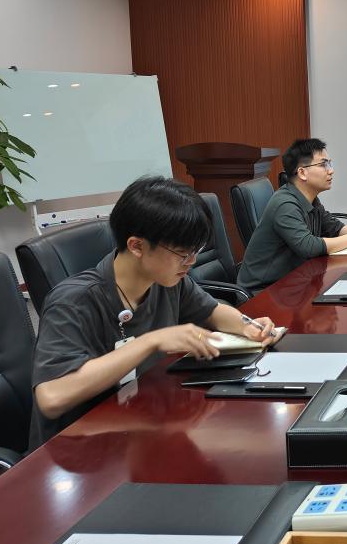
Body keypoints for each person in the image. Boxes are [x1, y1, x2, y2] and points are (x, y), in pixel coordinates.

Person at [30, 177, 278, 447]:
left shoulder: (167, 280)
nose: (192, 262)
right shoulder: (73, 301)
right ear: (136, 246)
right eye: (182, 253)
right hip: (78, 451)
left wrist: (247, 326)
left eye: (195, 251)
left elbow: (212, 311)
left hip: (140, 425)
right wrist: (151, 341)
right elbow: (52, 397)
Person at [237, 138, 347, 294]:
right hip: (264, 292)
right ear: (302, 172)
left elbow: (334, 227)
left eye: (330, 164)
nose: (331, 170)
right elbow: (309, 247)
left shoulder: (310, 198)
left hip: (293, 284)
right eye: (323, 164)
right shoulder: (284, 204)